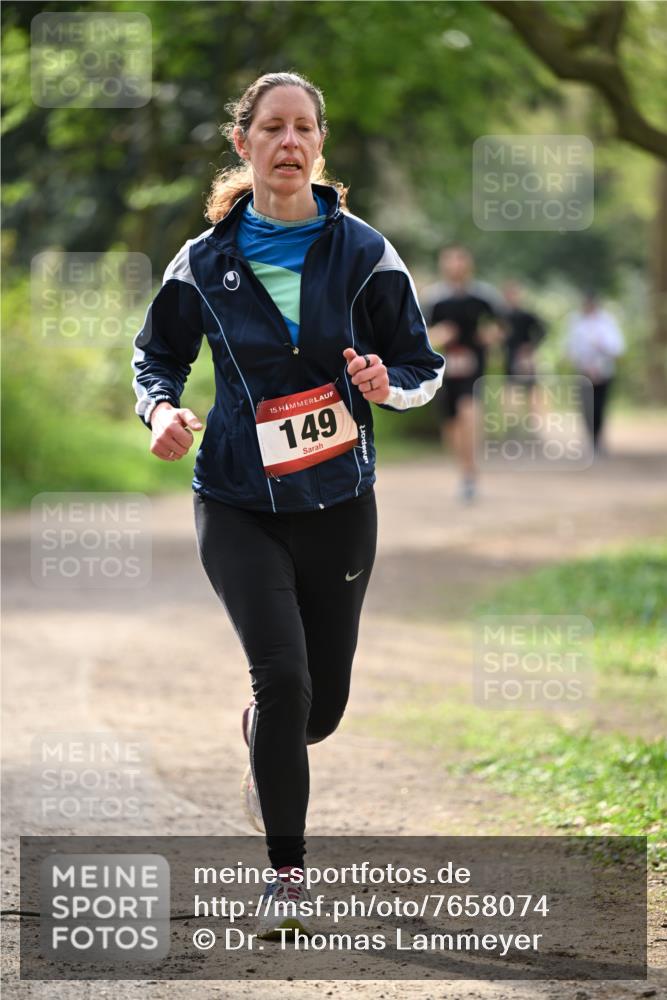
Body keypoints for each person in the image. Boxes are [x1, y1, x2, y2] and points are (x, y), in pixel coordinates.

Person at [131, 72, 444, 940]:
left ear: (319, 142)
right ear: (245, 143)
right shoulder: (201, 261)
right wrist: (162, 411)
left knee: (322, 706)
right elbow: (155, 358)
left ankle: (262, 737)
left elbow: (421, 364)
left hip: (339, 501)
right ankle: (286, 877)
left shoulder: (365, 253)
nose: (288, 142)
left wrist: (391, 384)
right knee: (284, 677)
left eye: (303, 127)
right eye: (271, 128)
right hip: (234, 499)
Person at [421, 246, 504, 502]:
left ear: (469, 265)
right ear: (443, 266)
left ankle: (469, 474)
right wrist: (439, 336)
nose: (456, 266)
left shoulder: (483, 296)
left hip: (473, 369)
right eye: (450, 262)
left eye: (460, 261)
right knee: (451, 428)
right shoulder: (433, 299)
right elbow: (420, 335)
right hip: (444, 371)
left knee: (469, 414)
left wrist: (490, 335)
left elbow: (501, 326)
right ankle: (465, 469)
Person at [565, 291, 625, 452]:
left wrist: (601, 346)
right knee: (586, 406)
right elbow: (570, 348)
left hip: (604, 370)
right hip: (584, 371)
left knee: (600, 405)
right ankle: (591, 437)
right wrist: (584, 364)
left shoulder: (607, 322)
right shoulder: (575, 322)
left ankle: (598, 437)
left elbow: (617, 347)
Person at [501, 280, 547, 432]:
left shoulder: (526, 315)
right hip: (509, 356)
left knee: (532, 390)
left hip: (525, 358)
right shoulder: (502, 315)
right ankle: (513, 426)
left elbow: (542, 330)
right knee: (510, 391)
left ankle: (535, 426)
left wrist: (531, 346)